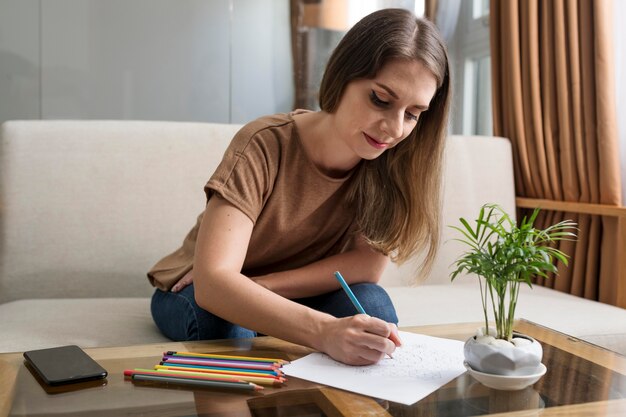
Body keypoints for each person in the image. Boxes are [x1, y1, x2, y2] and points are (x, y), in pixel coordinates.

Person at [147, 8, 451, 366]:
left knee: (372, 307)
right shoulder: (264, 143)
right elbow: (215, 284)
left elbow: (366, 266)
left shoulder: (393, 164)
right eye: (381, 100)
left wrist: (267, 286)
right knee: (227, 324)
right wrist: (322, 331)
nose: (394, 128)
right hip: (200, 290)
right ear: (342, 75)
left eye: (413, 113)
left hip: (294, 292)